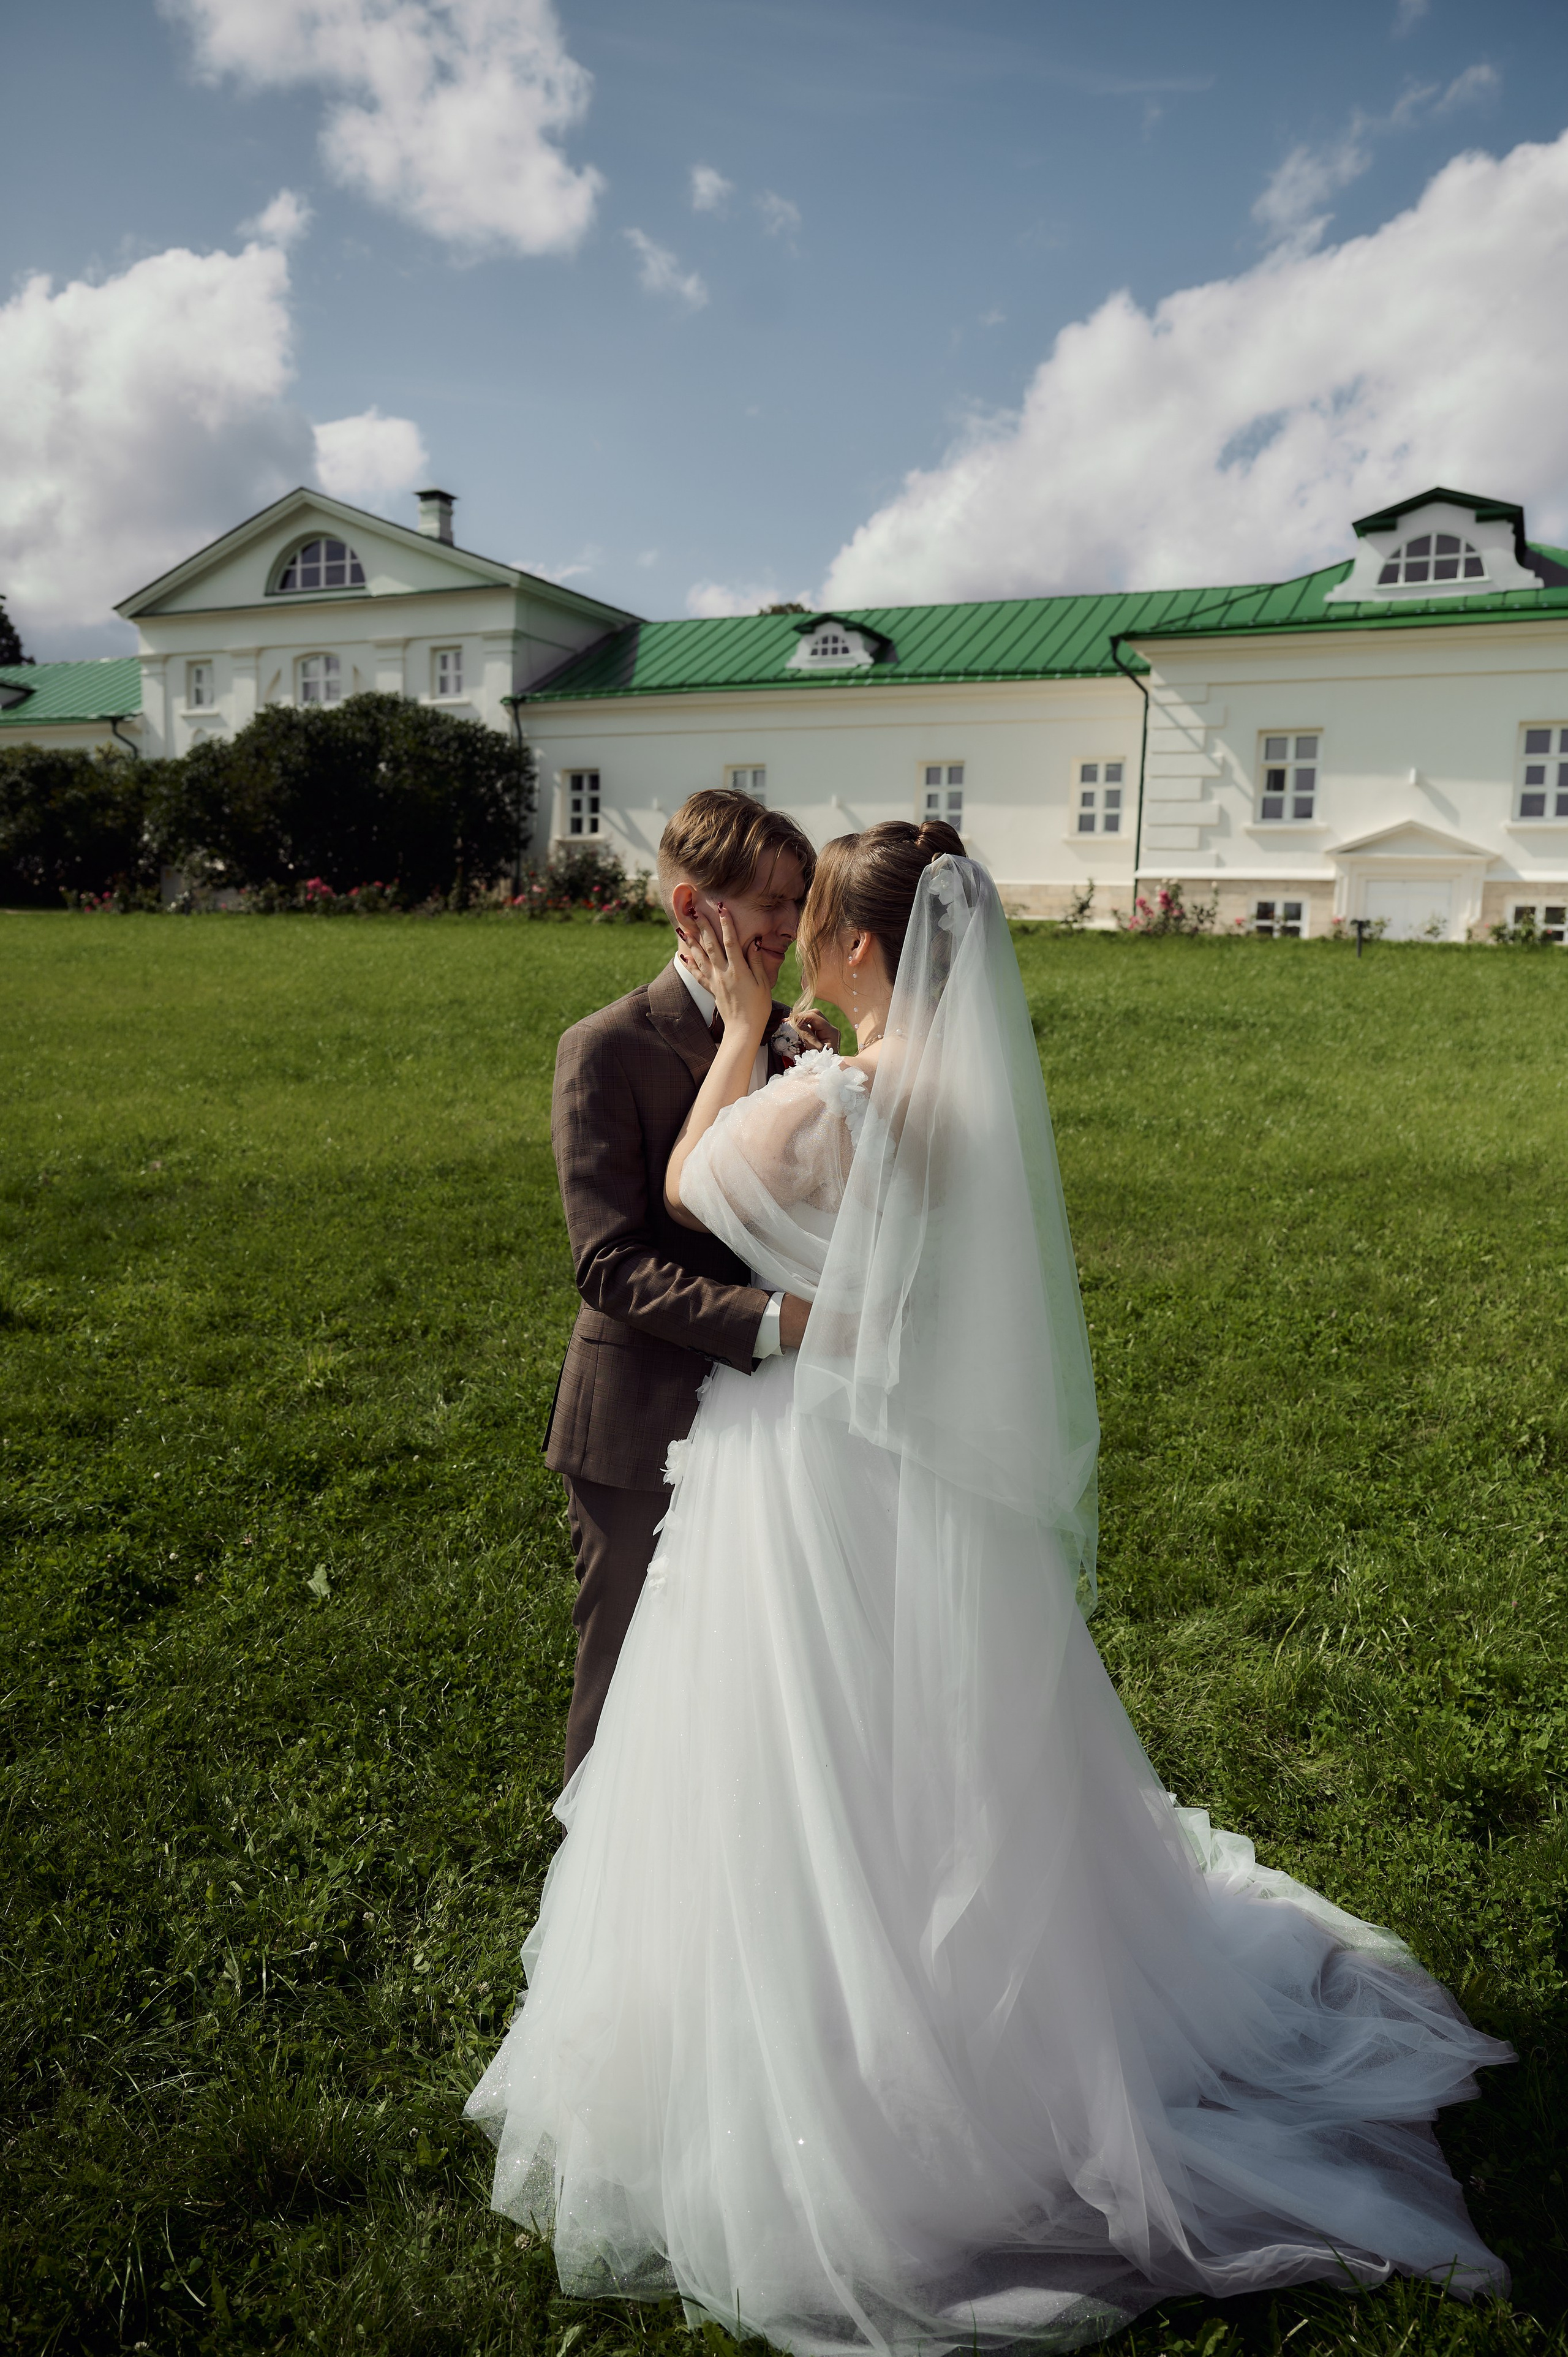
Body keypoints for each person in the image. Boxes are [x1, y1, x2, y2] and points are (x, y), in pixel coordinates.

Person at [470, 822, 1511, 2353]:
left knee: (795, 1742)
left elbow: (691, 1191)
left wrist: (753, 1037)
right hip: (893, 1466)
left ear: (859, 948)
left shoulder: (834, 1083)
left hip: (808, 1459)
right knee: (907, 1747)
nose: (793, 944)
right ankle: (937, 1996)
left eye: (810, 923)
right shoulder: (953, 1096)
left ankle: (824, 2045)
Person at [544, 789, 832, 1781]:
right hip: (640, 1417)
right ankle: (591, 1885)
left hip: (773, 1428)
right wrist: (774, 1321)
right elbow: (608, 1262)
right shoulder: (607, 1047)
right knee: (624, 1656)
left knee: (738, 1660)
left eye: (798, 905)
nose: (789, 929)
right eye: (768, 905)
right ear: (691, 908)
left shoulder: (798, 1042)